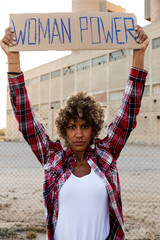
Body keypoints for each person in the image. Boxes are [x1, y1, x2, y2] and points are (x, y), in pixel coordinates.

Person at [0, 25, 149, 240]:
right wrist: (13, 60)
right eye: (72, 127)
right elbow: (27, 121)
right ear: (64, 129)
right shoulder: (53, 160)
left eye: (84, 126)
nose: (78, 134)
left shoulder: (106, 155)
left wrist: (139, 53)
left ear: (93, 128)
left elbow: (128, 111)